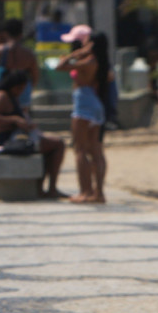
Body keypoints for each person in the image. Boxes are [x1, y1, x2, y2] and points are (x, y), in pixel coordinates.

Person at [0, 70, 67, 198]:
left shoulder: (12, 96)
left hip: (16, 137)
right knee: (58, 144)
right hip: (6, 140)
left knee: (51, 145)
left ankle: (41, 188)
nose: (21, 91)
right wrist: (15, 120)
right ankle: (51, 188)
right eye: (20, 88)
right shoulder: (1, 95)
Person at [58, 31, 112, 203]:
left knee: (80, 149)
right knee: (95, 149)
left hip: (84, 104)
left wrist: (75, 54)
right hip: (95, 104)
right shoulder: (100, 62)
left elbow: (60, 66)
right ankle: (99, 192)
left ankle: (86, 191)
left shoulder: (88, 61)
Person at [0, 19, 38, 113]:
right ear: (21, 34)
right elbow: (35, 75)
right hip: (22, 91)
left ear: (6, 33)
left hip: (2, 91)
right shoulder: (29, 54)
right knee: (22, 115)